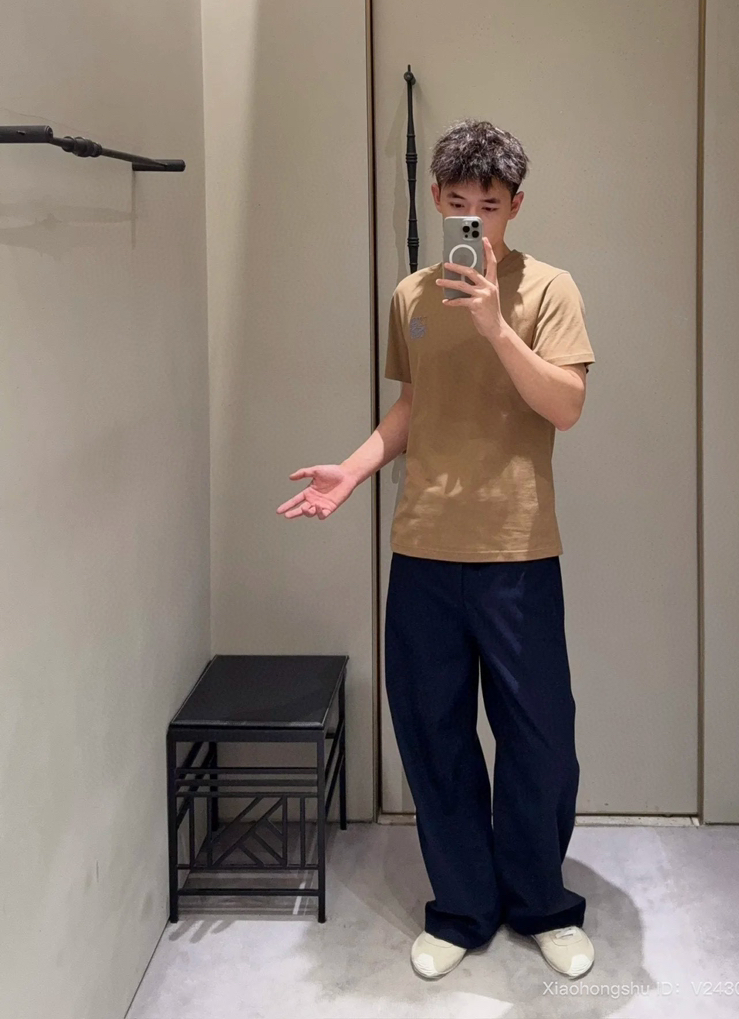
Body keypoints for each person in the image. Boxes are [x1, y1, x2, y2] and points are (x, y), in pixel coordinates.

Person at [276, 118, 596, 982]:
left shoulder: (549, 289)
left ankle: (542, 904)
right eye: (458, 203)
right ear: (435, 198)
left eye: (488, 205)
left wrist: (496, 327)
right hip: (422, 549)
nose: (473, 218)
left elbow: (565, 406)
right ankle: (461, 907)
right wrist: (352, 469)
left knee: (541, 743)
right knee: (433, 736)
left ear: (515, 205)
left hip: (518, 551)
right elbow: (416, 407)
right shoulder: (412, 296)